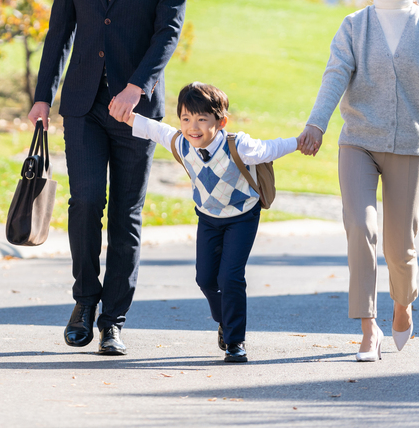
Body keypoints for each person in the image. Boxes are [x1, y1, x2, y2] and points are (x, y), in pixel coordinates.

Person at [29, 0, 187, 356]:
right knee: (85, 202)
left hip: (136, 110)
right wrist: (41, 96)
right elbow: (59, 31)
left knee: (126, 215)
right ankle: (84, 301)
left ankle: (114, 320)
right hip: (82, 103)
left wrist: (137, 88)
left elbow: (168, 32)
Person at [298, 0, 419, 362]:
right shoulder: (353, 25)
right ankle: (369, 330)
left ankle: (402, 305)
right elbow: (335, 75)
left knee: (400, 247)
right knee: (360, 229)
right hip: (358, 143)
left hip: (409, 145)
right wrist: (317, 123)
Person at [125, 82, 298, 362]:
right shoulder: (182, 143)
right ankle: (224, 320)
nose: (193, 126)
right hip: (208, 217)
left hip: (242, 216)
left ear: (221, 121)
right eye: (186, 118)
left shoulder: (238, 145)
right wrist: (127, 116)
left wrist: (301, 141)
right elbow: (155, 130)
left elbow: (269, 149)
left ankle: (235, 341)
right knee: (205, 278)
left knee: (230, 277)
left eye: (202, 119)